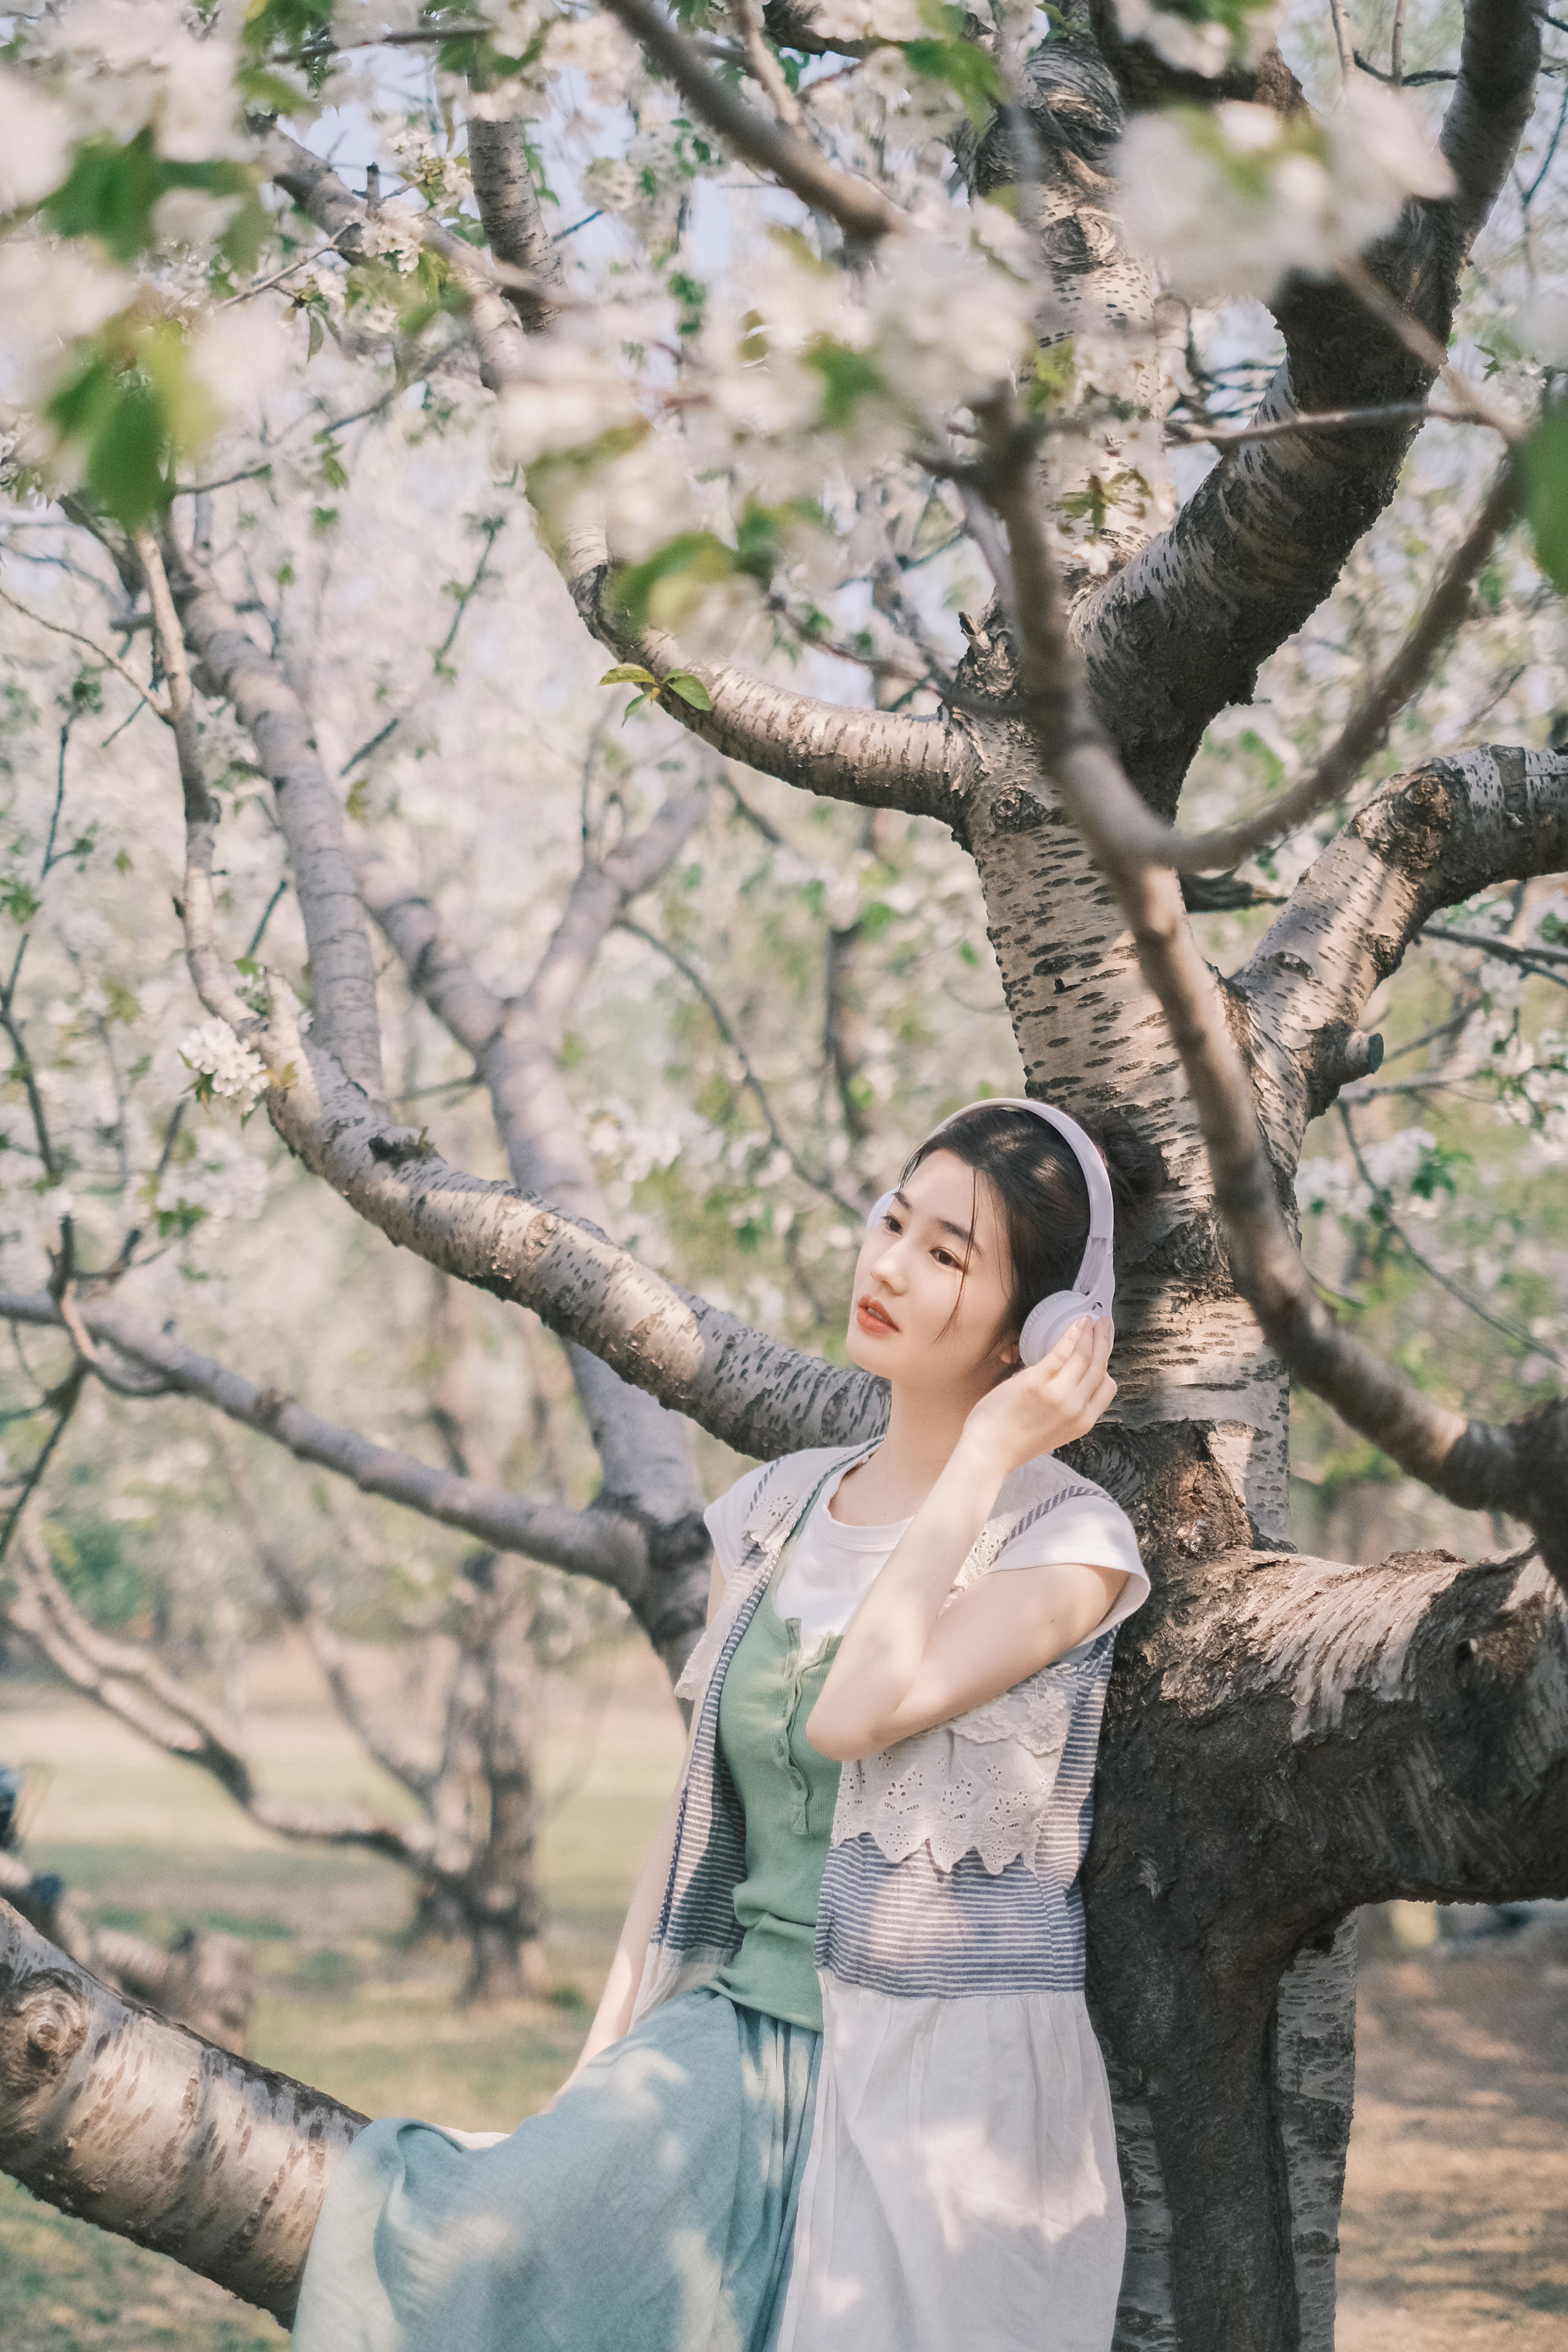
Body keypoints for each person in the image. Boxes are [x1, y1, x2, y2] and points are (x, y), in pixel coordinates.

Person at [290, 1098, 1152, 2352]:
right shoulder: (779, 1510)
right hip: (728, 2050)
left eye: (948, 1254)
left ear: (1044, 1331)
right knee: (450, 2240)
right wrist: (591, 2082)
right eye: (892, 1219)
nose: (890, 1266)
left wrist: (985, 1455)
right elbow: (692, 1830)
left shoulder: (1069, 1545)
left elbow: (857, 1711)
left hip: (936, 2102)